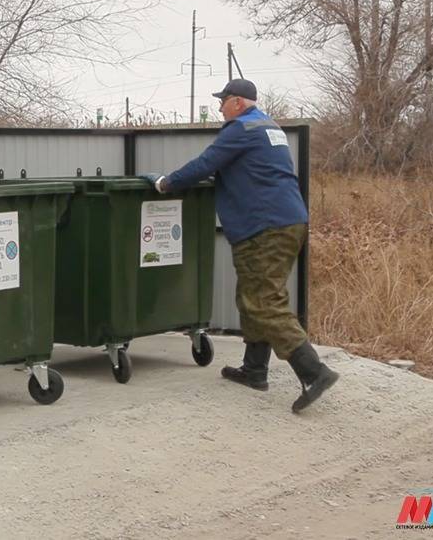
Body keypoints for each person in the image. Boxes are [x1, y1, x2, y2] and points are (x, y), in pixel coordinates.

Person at [141, 78, 338, 412]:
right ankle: (254, 369)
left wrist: (166, 183)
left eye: (223, 102)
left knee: (264, 300)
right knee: (254, 295)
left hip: (264, 226)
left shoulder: (240, 130)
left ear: (236, 102)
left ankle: (313, 372)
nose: (220, 109)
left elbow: (206, 163)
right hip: (289, 221)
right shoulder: (269, 127)